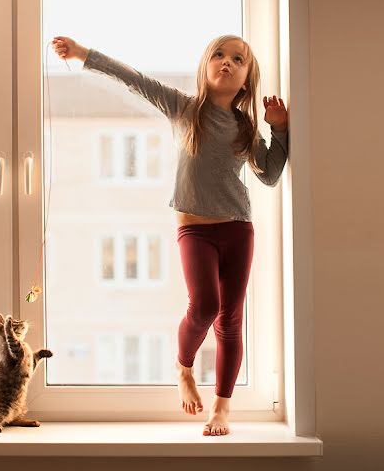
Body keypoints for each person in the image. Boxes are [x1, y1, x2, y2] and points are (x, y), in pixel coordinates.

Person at [51, 35, 289, 436]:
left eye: (238, 59)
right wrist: (83, 55)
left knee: (231, 321)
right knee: (204, 307)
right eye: (218, 55)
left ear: (247, 79)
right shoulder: (184, 108)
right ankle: (183, 367)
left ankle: (222, 407)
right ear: (204, 67)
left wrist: (279, 130)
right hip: (194, 229)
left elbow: (269, 174)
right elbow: (133, 78)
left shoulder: (245, 126)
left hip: (238, 228)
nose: (226, 63)